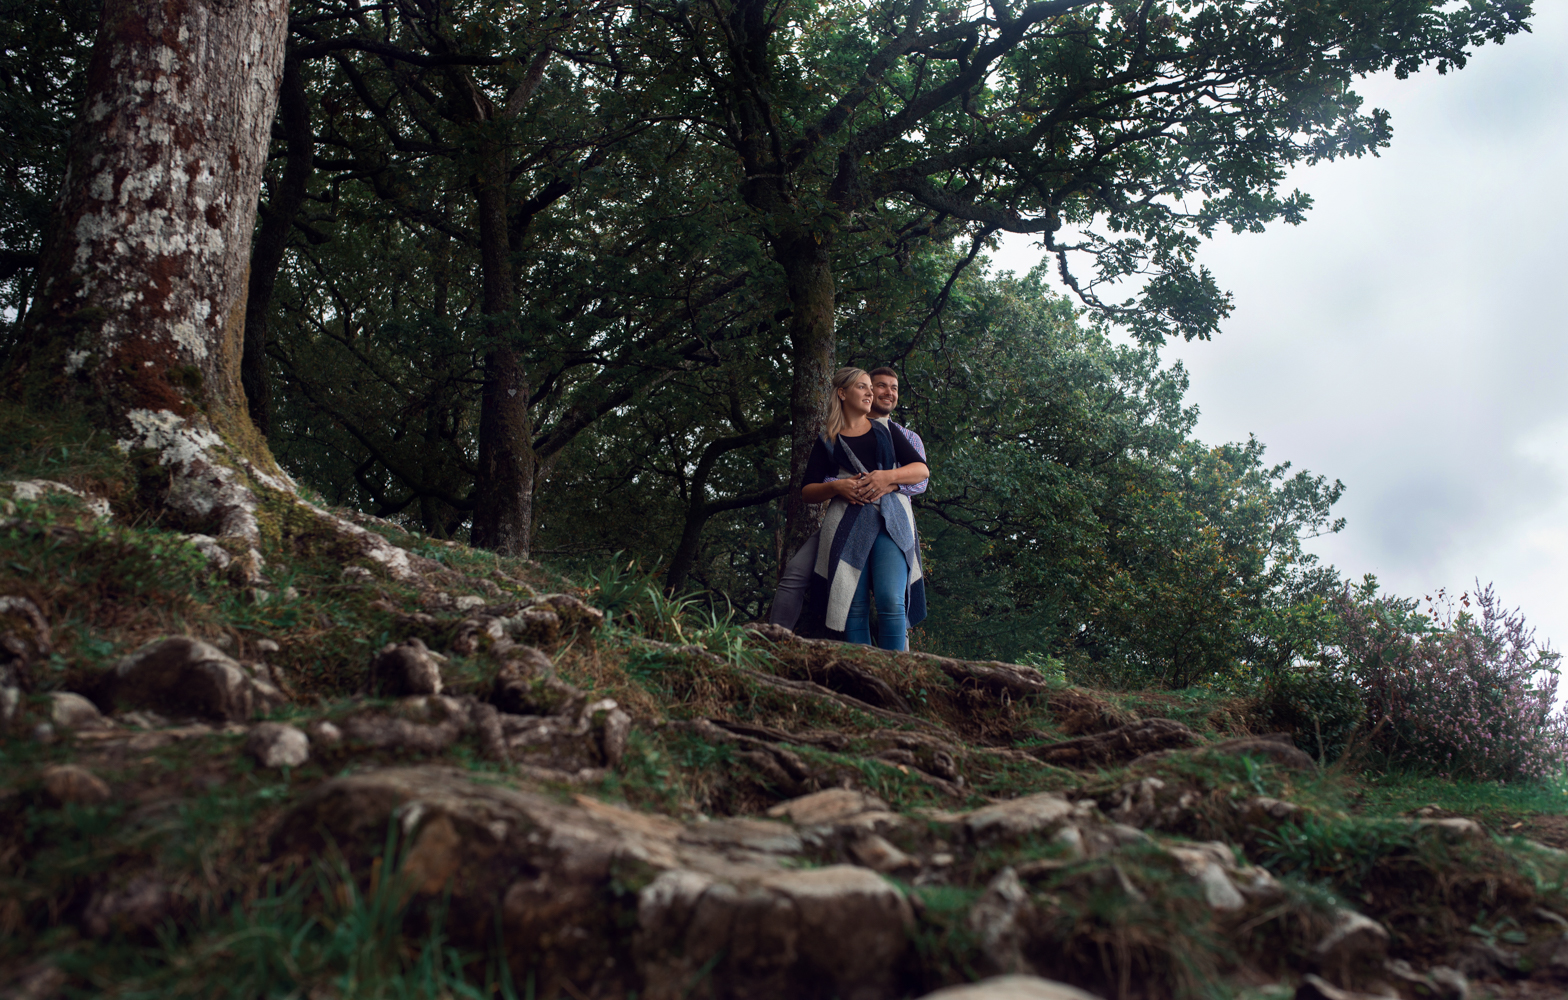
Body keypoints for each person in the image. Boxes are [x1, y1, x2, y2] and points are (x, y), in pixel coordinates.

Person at [771, 367, 928, 633]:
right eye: (875, 386)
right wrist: (840, 486)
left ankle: (902, 666)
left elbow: (921, 479)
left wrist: (884, 480)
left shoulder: (899, 434)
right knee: (841, 597)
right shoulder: (830, 439)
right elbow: (813, 488)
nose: (884, 392)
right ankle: (772, 638)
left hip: (889, 520)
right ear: (845, 393)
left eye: (894, 388)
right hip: (844, 518)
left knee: (892, 599)